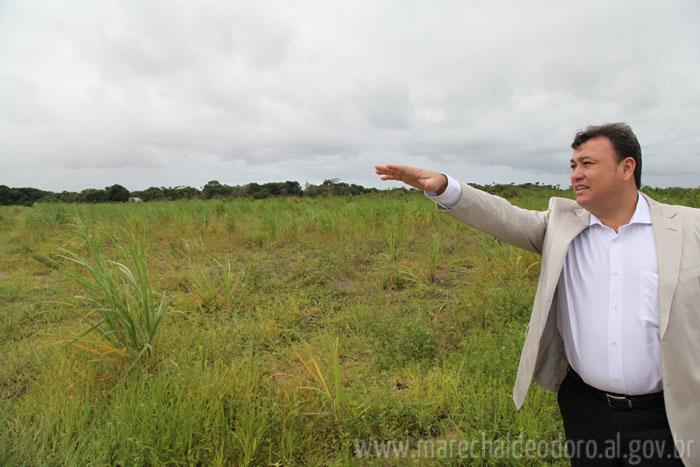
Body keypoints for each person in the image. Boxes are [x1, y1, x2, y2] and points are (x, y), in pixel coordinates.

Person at [375, 123, 699, 466]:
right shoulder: (562, 224)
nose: (576, 174)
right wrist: (444, 187)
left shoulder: (689, 228)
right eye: (573, 166)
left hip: (668, 415)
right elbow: (503, 216)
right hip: (587, 411)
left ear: (627, 167)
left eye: (587, 164)